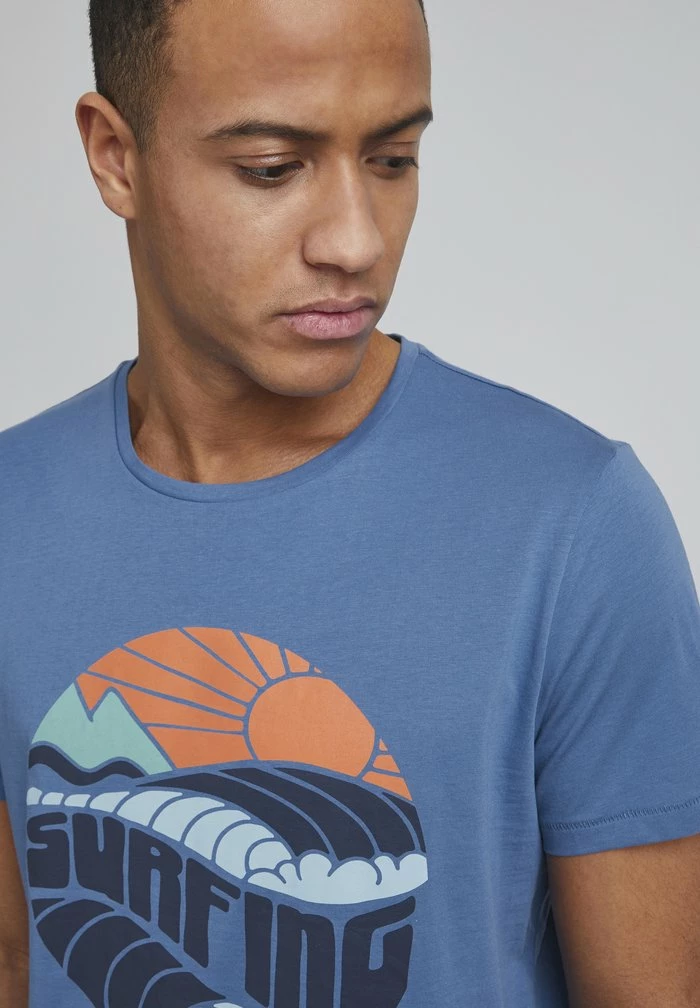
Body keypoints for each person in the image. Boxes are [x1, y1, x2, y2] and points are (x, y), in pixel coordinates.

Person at [1, 0, 699, 1005]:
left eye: (392, 159)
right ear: (117, 158)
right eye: (272, 168)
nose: (356, 241)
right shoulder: (13, 518)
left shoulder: (572, 524)